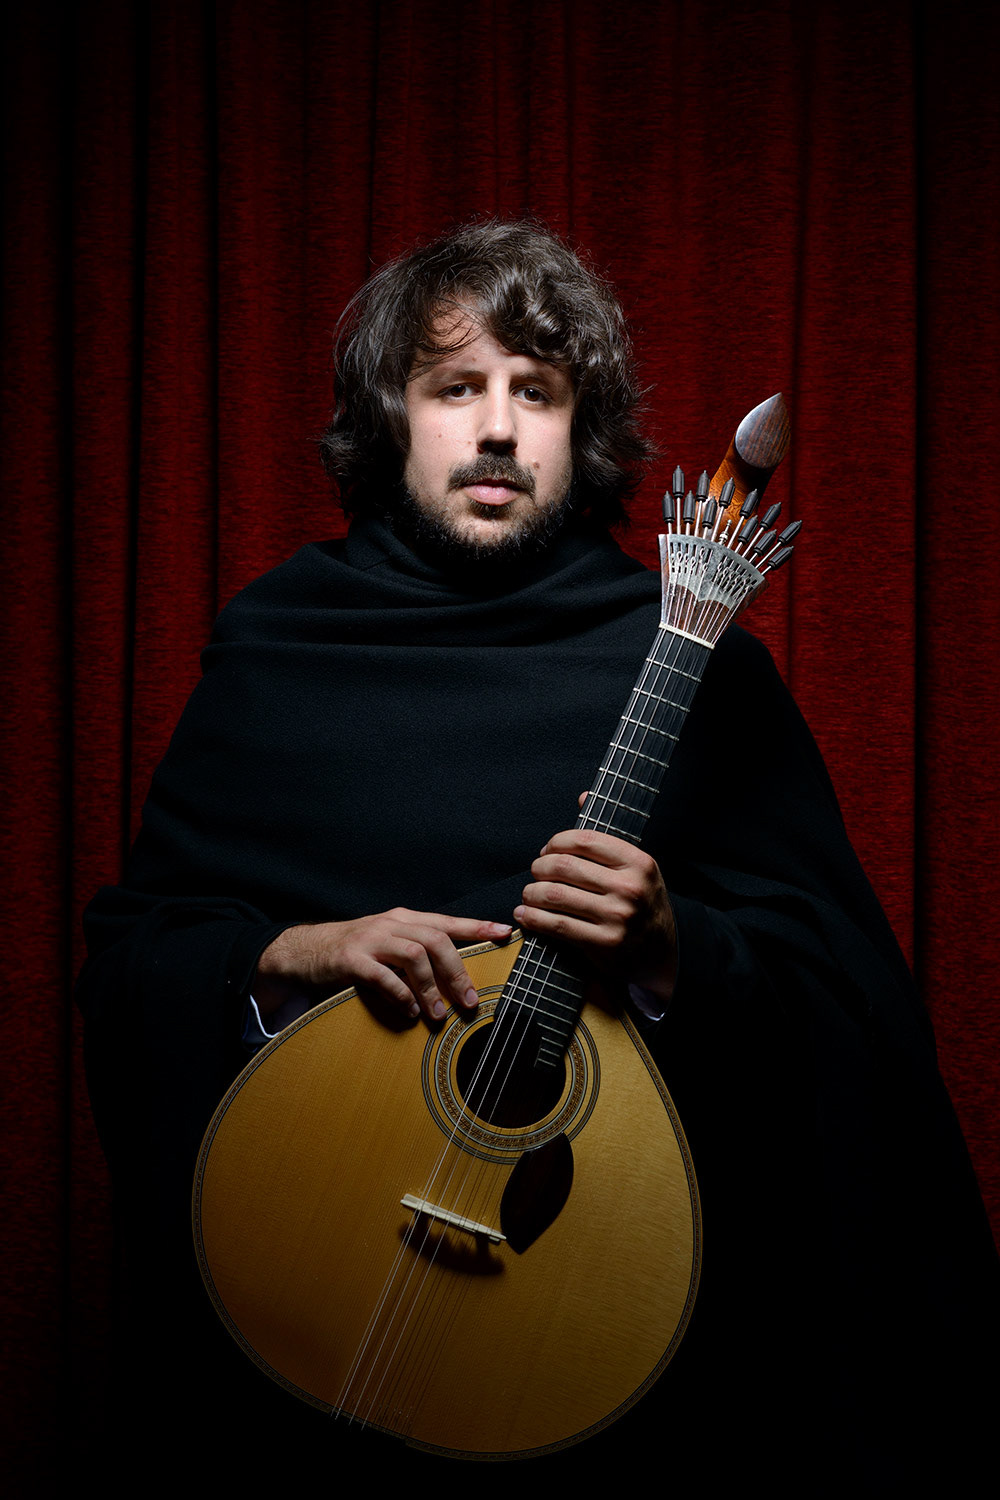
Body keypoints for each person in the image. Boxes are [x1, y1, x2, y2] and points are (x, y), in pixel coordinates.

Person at [78, 221, 998, 1491]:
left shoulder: (694, 662)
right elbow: (131, 969)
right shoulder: (278, 644)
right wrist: (290, 956)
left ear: (583, 429)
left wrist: (676, 948)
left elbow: (850, 1021)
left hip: (612, 1353)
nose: (500, 430)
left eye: (539, 393)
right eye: (456, 387)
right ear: (392, 419)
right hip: (317, 1321)